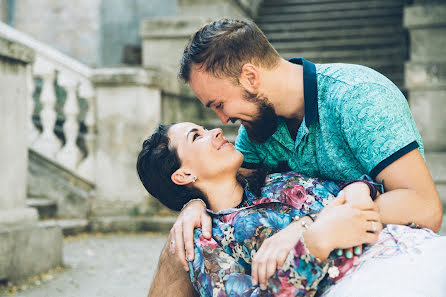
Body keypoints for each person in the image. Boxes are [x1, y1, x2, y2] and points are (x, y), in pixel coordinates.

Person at [149, 18, 443, 296]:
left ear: (250, 77)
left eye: (220, 104)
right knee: (182, 244)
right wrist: (192, 202)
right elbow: (228, 196)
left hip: (397, 254)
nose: (223, 120)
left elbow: (425, 207)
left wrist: (308, 227)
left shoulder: (359, 97)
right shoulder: (255, 133)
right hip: (336, 277)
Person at [137, 123, 446, 297]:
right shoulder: (206, 241)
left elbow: (358, 194)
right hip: (375, 283)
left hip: (415, 249)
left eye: (205, 128)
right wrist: (314, 245)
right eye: (197, 136)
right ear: (184, 176)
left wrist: (359, 187)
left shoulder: (276, 179)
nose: (216, 130)